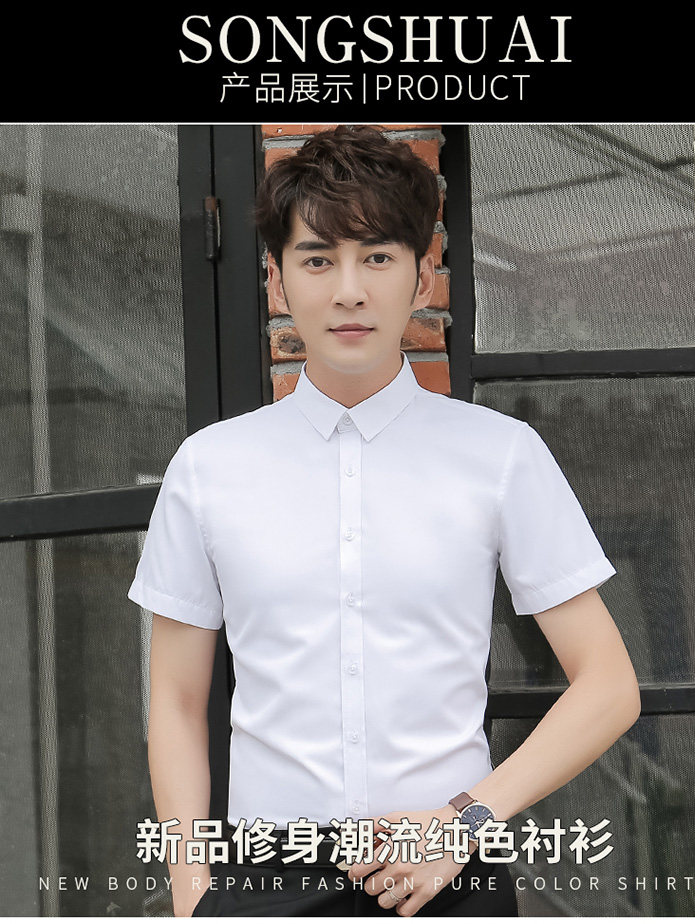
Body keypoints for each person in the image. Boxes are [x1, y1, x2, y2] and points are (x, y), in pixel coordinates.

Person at [127, 124, 641, 918]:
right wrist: (193, 894)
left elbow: (608, 684)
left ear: (423, 273)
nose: (348, 291)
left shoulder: (500, 455)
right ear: (276, 280)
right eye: (317, 260)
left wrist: (467, 822)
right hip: (267, 878)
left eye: (376, 257)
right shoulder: (209, 467)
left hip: (447, 873)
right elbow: (175, 699)